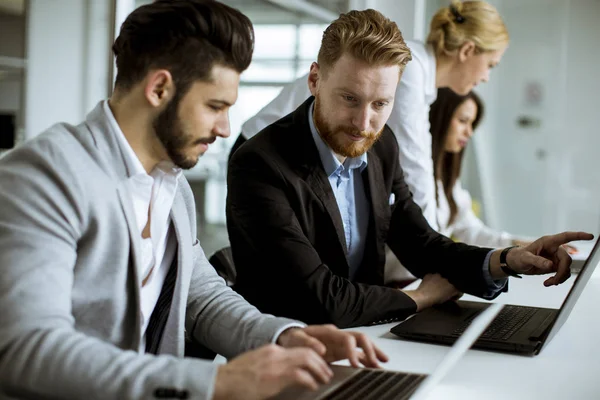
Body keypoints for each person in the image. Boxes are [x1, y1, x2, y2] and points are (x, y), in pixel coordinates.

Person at [0, 2, 388, 399]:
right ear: (159, 89)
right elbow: (26, 349)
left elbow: (200, 298)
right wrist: (216, 382)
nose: (225, 129)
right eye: (215, 107)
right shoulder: (43, 177)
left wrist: (285, 337)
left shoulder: (172, 185)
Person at [226, 8, 592, 328]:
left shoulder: (382, 145)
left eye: (381, 103)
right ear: (314, 81)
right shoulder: (258, 165)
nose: (363, 123)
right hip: (289, 351)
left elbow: (420, 241)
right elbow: (322, 299)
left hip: (363, 337)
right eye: (349, 99)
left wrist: (507, 259)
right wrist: (422, 297)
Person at [230, 0, 508, 233]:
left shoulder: (419, 76)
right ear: (468, 50)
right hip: (264, 150)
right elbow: (416, 171)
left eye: (379, 104)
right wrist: (435, 257)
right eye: (491, 65)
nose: (485, 77)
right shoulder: (410, 71)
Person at [429, 88, 533, 247]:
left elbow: (470, 231)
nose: (469, 132)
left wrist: (521, 244)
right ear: (439, 117)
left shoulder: (447, 177)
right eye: (463, 121)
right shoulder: (414, 175)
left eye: (472, 124)